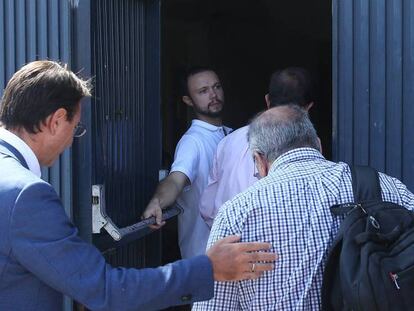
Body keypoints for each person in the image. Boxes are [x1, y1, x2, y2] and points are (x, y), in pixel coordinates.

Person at [0, 60, 277, 311]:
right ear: (56, 120)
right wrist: (209, 267)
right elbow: (106, 289)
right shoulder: (27, 195)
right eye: (76, 129)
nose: (73, 141)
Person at [193, 105, 414, 310]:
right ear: (318, 143)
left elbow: (213, 306)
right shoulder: (385, 185)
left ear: (259, 159)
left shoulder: (237, 213)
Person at [199, 67, 314, 228]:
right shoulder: (305, 148)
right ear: (308, 107)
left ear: (267, 100)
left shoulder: (228, 141)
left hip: (228, 244)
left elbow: (207, 208)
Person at [143, 67, 232, 258]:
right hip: (205, 259)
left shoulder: (232, 135)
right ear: (188, 100)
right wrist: (157, 202)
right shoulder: (193, 141)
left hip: (233, 257)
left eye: (216, 87)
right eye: (203, 91)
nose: (213, 95)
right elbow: (176, 179)